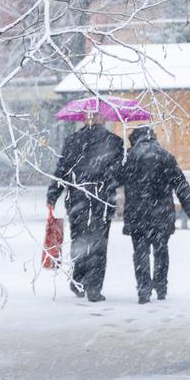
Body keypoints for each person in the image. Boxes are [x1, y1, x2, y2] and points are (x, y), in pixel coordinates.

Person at [118, 126, 190, 303]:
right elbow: (180, 184)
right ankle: (161, 286)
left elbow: (114, 180)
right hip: (161, 214)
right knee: (161, 251)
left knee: (140, 253)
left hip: (137, 214)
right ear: (153, 138)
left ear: (134, 139)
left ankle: (144, 289)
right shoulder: (165, 156)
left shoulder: (129, 157)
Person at [47, 111, 124, 302]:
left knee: (80, 241)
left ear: (83, 118)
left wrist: (53, 194)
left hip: (77, 200)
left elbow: (62, 170)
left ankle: (78, 281)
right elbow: (120, 174)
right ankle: (94, 289)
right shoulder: (115, 142)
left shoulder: (73, 140)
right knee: (98, 245)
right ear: (104, 118)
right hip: (102, 201)